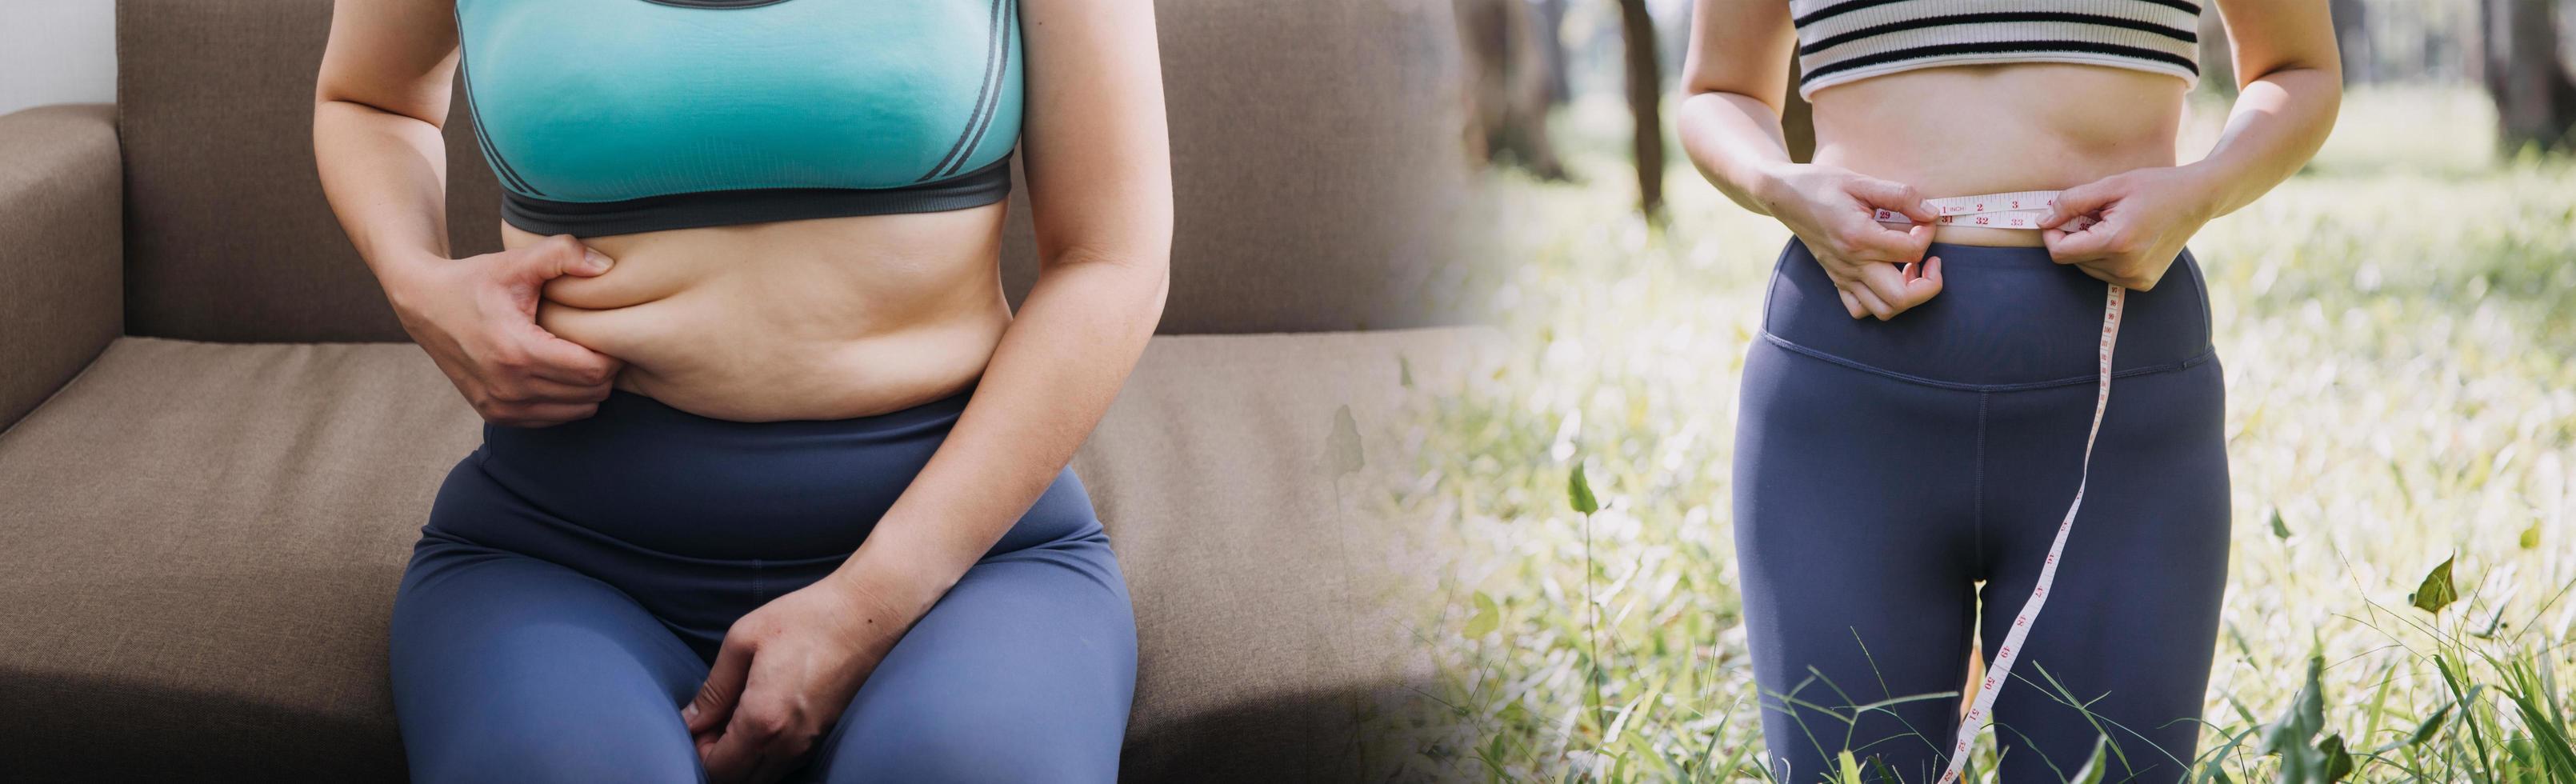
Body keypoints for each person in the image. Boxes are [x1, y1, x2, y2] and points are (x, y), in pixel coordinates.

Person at [311, 0, 1171, 781]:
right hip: (561, 552)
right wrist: (417, 279)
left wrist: (866, 604)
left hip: (970, 565)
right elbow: (369, 99)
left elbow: (1111, 259)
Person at [1676, 1, 2340, 780]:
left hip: (2124, 399)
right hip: (1845, 403)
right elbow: (1718, 89)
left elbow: (2299, 68)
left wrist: (2200, 190)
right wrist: (1779, 182)